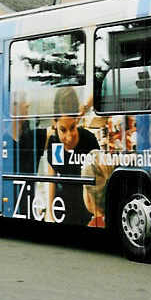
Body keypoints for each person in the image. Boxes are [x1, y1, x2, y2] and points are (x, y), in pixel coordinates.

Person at [42, 87, 100, 225]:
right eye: (63, 130)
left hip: (89, 213)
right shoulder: (55, 142)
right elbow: (52, 178)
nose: (69, 137)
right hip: (64, 212)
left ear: (78, 120)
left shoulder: (89, 140)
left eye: (72, 127)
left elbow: (100, 180)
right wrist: (50, 212)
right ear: (55, 124)